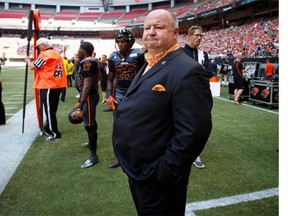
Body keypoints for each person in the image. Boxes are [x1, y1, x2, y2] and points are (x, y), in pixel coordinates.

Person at [112, 9, 212, 215]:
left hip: (157, 177)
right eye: (147, 27)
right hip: (138, 170)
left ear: (175, 33)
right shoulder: (150, 60)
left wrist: (162, 172)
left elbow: (193, 133)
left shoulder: (188, 70)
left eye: (159, 27)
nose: (151, 32)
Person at [106, 28, 145, 168]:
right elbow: (110, 77)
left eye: (124, 41)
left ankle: (137, 154)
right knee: (119, 127)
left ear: (130, 42)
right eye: (119, 41)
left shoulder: (139, 54)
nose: (121, 44)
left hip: (136, 92)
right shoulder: (113, 57)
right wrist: (109, 94)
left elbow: (145, 75)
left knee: (137, 126)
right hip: (119, 94)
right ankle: (120, 158)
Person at [25, 38, 67, 141]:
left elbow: (33, 67)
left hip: (49, 84)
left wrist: (27, 61)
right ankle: (49, 128)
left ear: (42, 45)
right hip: (57, 84)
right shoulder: (56, 54)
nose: (39, 49)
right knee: (52, 109)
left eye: (39, 47)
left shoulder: (45, 54)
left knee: (49, 110)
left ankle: (55, 133)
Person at [182, 25, 212, 169]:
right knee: (183, 125)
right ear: (189, 35)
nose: (199, 38)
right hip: (183, 95)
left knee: (201, 126)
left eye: (201, 36)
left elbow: (210, 72)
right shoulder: (179, 53)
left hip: (201, 95)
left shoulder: (204, 54)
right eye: (197, 35)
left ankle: (195, 153)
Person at [75, 41, 101, 169]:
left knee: (89, 124)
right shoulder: (88, 60)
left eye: (79, 49)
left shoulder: (87, 62)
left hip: (89, 96)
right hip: (89, 96)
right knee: (90, 122)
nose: (77, 51)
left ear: (84, 50)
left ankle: (93, 156)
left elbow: (87, 85)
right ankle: (91, 143)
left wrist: (80, 104)